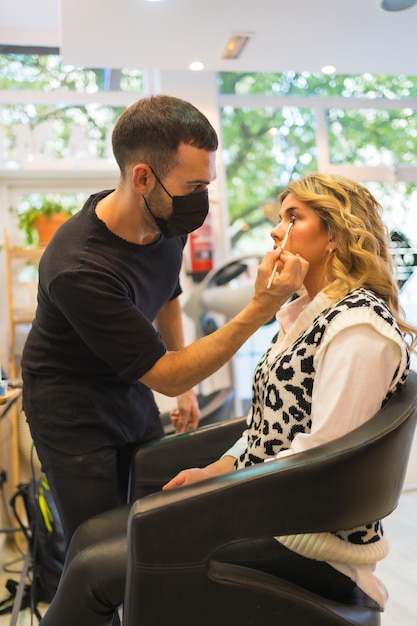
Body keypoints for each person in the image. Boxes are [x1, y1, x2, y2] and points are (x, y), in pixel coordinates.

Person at [35, 172, 417, 626]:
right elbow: (267, 426)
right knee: (89, 538)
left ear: (334, 234)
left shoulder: (357, 328)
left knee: (91, 570)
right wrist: (217, 469)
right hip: (274, 508)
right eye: (279, 217)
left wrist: (218, 497)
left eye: (293, 217)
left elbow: (323, 461)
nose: (276, 231)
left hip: (310, 540)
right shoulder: (304, 314)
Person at [21, 94, 306, 545]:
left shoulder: (164, 220)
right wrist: (260, 308)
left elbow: (168, 294)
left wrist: (186, 385)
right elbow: (166, 377)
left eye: (206, 184)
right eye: (194, 186)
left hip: (129, 389)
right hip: (70, 409)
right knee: (99, 551)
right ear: (142, 178)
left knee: (150, 526)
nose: (202, 200)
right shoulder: (80, 267)